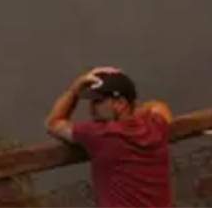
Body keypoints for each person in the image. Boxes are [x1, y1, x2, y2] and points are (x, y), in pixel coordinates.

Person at [45, 66, 173, 207]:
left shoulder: (101, 134)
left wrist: (74, 90)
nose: (92, 109)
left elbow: (53, 123)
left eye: (98, 102)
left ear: (120, 103)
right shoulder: (156, 126)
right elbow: (159, 107)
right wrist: (132, 114)